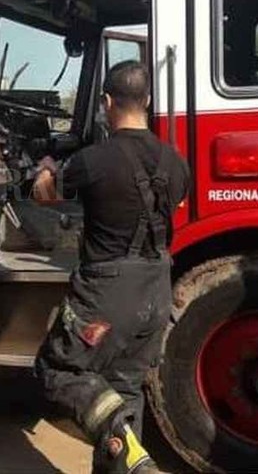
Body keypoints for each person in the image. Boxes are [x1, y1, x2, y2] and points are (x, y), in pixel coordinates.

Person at [32, 61, 190, 474]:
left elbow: (45, 196)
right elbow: (178, 203)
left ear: (106, 102)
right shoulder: (176, 162)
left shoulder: (91, 160)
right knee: (124, 386)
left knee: (57, 369)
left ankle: (118, 436)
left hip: (107, 295)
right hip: (157, 290)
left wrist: (45, 168)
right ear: (148, 100)